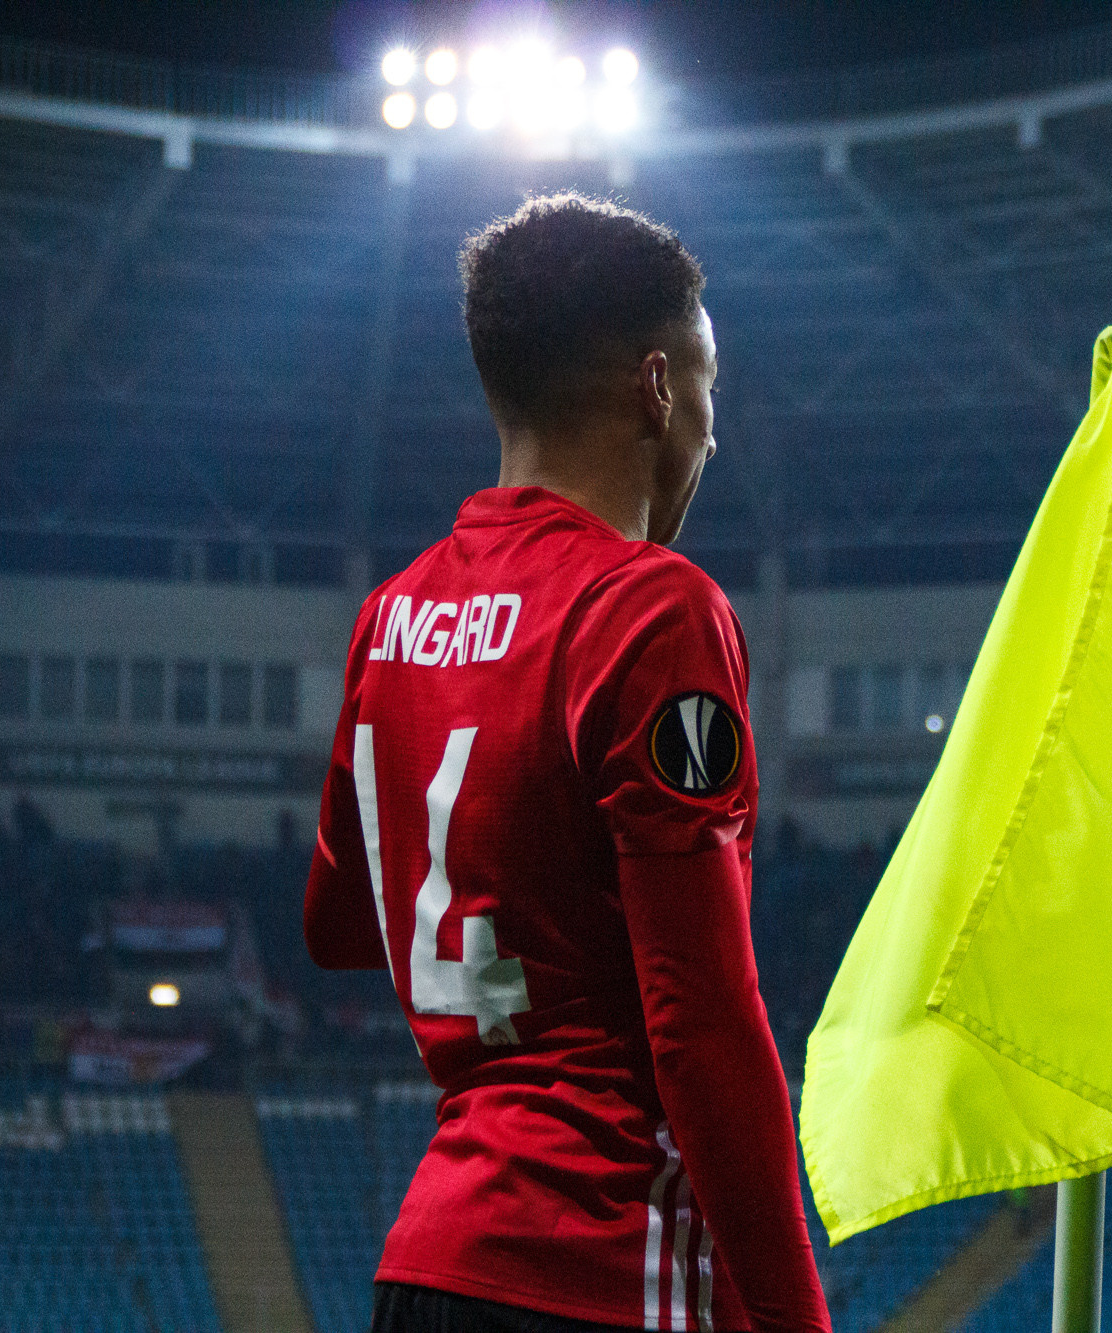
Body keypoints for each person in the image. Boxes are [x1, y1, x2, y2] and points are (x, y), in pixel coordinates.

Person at [303, 193, 829, 1333]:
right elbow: (703, 1023)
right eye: (706, 388)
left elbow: (338, 923)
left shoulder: (390, 616)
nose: (710, 430)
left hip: (430, 1265)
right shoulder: (649, 609)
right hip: (603, 1262)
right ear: (654, 388)